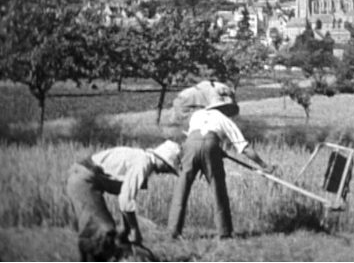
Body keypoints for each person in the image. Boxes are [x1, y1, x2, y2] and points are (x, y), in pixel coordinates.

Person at [167, 80, 274, 239]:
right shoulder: (223, 119)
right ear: (225, 109)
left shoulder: (197, 114)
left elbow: (196, 139)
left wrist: (215, 150)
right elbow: (244, 147)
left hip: (190, 146)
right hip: (210, 145)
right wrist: (264, 165)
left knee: (182, 188)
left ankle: (173, 231)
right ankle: (224, 233)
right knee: (218, 189)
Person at [66, 140, 181, 261]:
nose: (165, 172)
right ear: (161, 159)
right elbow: (125, 201)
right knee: (102, 230)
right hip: (83, 179)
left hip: (84, 178)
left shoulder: (141, 159)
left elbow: (125, 200)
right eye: (168, 167)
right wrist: (134, 230)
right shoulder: (143, 163)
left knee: (103, 231)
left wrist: (127, 229)